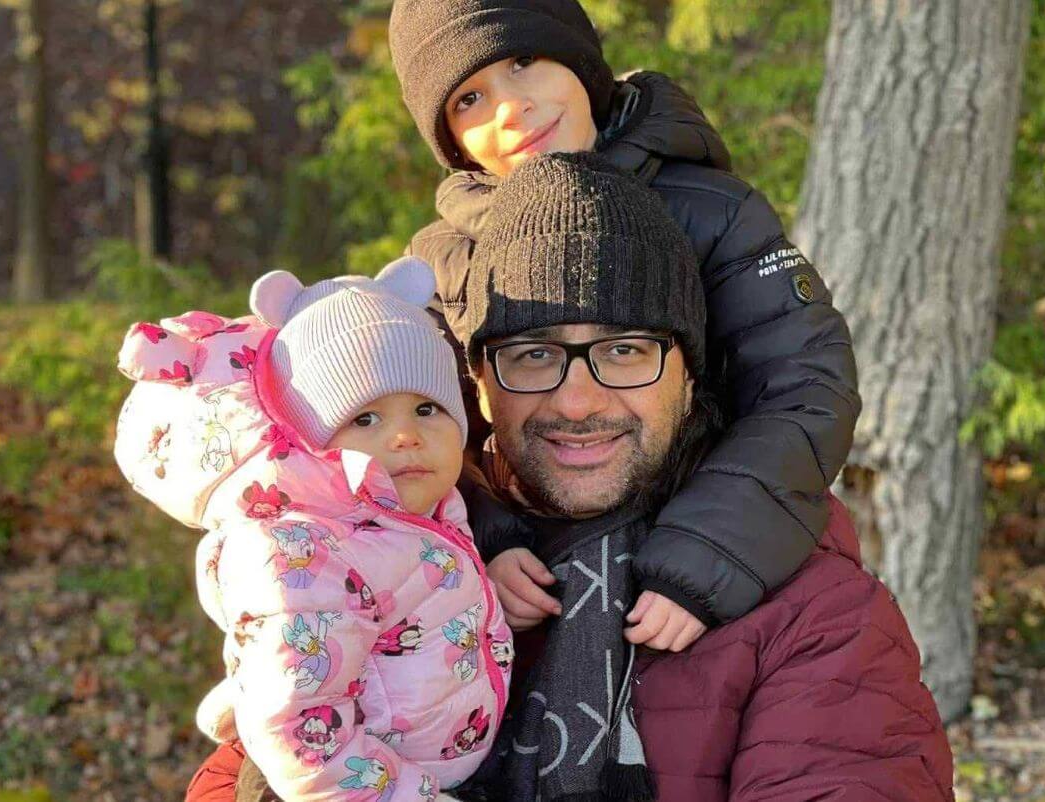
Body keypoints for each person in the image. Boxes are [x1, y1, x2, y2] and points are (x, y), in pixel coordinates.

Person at [186, 154, 953, 802]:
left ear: (689, 376)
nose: (577, 401)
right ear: (478, 384)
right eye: (533, 355)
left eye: (625, 351)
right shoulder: (380, 562)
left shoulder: (817, 620)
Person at [389, 0, 863, 651]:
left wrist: (707, 550)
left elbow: (804, 385)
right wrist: (485, 538)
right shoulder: (449, 258)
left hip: (698, 540)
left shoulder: (713, 214)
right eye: (469, 98)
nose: (509, 109)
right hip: (536, 565)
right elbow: (420, 431)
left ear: (580, 60)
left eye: (525, 61)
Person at [114, 257, 511, 801]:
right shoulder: (304, 556)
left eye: (426, 408)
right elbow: (304, 737)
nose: (405, 436)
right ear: (308, 440)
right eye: (364, 418)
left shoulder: (421, 507)